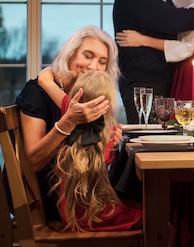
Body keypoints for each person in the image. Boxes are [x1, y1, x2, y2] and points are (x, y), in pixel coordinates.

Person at [15, 25, 120, 221]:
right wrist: (67, 123)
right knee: (140, 207)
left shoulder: (90, 98)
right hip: (43, 196)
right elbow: (32, 163)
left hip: (77, 191)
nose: (94, 67)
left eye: (102, 61)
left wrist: (108, 142)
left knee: (137, 194)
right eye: (87, 55)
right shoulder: (36, 94)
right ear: (69, 54)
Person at [50, 71, 142, 232]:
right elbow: (105, 185)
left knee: (137, 205)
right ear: (110, 106)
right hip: (90, 216)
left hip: (73, 214)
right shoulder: (99, 143)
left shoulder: (68, 134)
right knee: (157, 219)